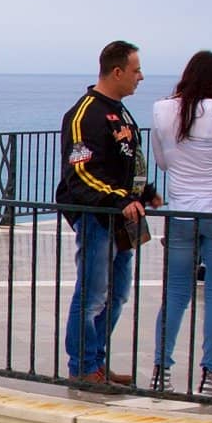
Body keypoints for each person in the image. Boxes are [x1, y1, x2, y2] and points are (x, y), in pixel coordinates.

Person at [147, 51, 212, 397]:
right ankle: (211, 378)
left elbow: (162, 162)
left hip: (181, 213)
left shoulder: (162, 110)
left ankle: (161, 372)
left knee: (176, 292)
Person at [58, 40, 154, 387]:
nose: (140, 77)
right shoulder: (85, 114)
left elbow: (127, 162)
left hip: (121, 220)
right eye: (135, 70)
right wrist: (117, 200)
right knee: (93, 294)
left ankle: (96, 360)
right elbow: (80, 172)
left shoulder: (121, 112)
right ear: (117, 72)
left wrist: (145, 193)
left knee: (117, 294)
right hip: (99, 218)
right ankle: (82, 365)